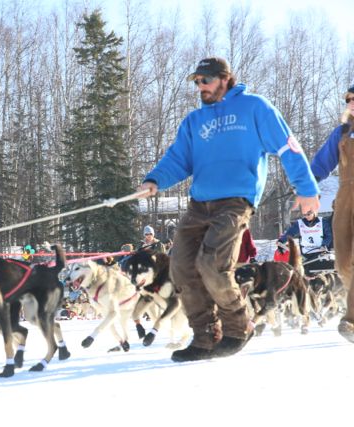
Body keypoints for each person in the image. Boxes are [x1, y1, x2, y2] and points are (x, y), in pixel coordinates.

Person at [136, 57, 320, 362]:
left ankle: (238, 327)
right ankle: (205, 336)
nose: (200, 87)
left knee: (212, 264)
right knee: (180, 266)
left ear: (225, 78)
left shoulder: (254, 107)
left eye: (206, 80)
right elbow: (178, 159)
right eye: (197, 82)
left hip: (235, 202)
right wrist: (154, 180)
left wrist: (307, 188)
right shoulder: (195, 121)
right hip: (199, 204)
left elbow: (287, 146)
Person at [310, 85, 354, 342]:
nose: (351, 103)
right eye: (349, 100)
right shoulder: (342, 133)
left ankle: (351, 320)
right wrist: (308, 186)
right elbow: (321, 163)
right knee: (343, 263)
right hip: (345, 198)